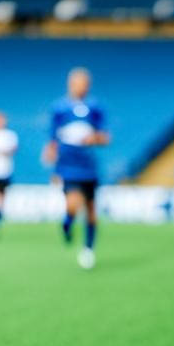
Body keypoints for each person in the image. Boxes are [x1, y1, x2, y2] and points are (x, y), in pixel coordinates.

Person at [44, 68, 110, 270]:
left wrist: (95, 138)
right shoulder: (59, 108)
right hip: (68, 166)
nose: (83, 86)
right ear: (71, 84)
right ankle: (67, 223)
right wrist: (52, 161)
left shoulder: (96, 107)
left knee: (90, 210)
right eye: (79, 82)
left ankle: (88, 249)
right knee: (73, 204)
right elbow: (52, 140)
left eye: (86, 83)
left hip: (88, 166)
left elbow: (105, 137)